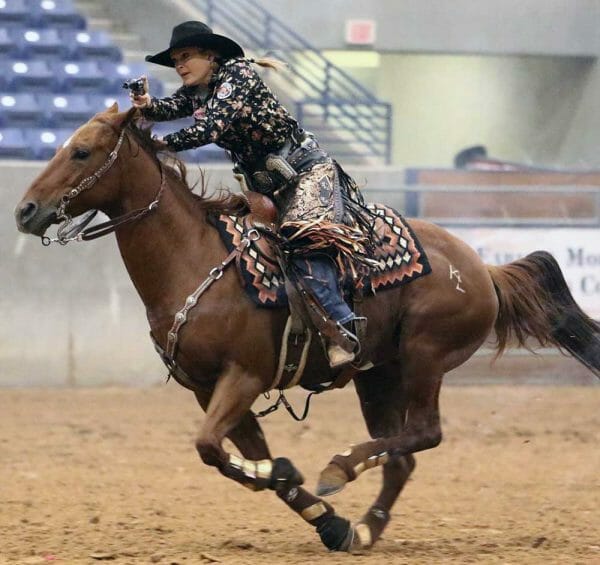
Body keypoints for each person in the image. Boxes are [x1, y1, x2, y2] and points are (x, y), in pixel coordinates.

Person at [132, 21, 375, 368]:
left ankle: (343, 329)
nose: (180, 66)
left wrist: (157, 145)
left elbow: (211, 126)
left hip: (306, 172)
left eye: (186, 57)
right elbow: (171, 108)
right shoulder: (201, 89)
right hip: (265, 186)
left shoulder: (237, 75)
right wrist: (146, 104)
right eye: (175, 60)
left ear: (210, 55)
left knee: (301, 238)